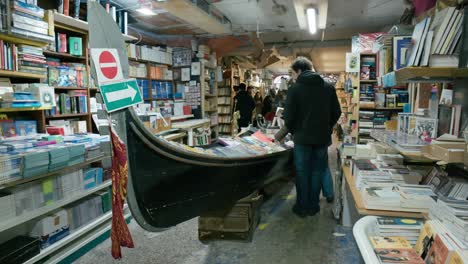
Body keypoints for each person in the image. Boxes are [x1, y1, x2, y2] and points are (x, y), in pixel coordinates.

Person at [282, 57, 341, 217]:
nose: (293, 76)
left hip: (301, 139)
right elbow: (337, 112)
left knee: (302, 172)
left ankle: (302, 207)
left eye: (293, 73)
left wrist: (295, 130)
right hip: (321, 139)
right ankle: (313, 206)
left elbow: (288, 116)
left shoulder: (295, 89)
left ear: (299, 71)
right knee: (317, 171)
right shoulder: (328, 88)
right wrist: (327, 127)